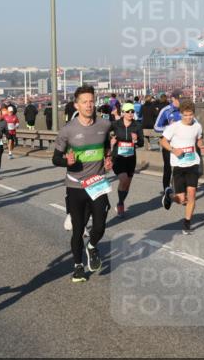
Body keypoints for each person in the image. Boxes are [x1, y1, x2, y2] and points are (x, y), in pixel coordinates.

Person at [52, 85, 114, 283]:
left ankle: (93, 246)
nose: (89, 105)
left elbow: (105, 146)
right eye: (84, 102)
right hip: (76, 185)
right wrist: (66, 161)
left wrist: (108, 158)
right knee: (78, 229)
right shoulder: (68, 130)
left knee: (100, 225)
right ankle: (78, 266)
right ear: (76, 105)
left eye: (91, 101)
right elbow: (55, 158)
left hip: (97, 183)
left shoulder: (104, 125)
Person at [160, 100, 204, 235]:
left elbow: (198, 139)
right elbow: (162, 141)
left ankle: (187, 223)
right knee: (181, 199)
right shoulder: (174, 127)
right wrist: (173, 150)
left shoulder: (197, 126)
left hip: (192, 164)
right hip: (179, 166)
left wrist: (201, 146)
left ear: (193, 114)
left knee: (192, 195)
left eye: (190, 115)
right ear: (181, 114)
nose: (188, 118)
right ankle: (169, 195)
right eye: (185, 115)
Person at [110, 102, 145, 216]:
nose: (130, 114)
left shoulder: (137, 125)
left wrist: (135, 141)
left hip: (130, 158)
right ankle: (120, 204)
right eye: (128, 111)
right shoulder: (115, 124)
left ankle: (121, 202)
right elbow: (104, 134)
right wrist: (111, 143)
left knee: (127, 184)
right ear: (123, 113)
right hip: (118, 157)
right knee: (123, 179)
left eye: (132, 112)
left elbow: (142, 143)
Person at [154, 90, 184, 193]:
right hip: (168, 144)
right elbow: (156, 127)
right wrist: (169, 128)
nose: (181, 102)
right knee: (168, 168)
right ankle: (166, 190)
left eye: (182, 99)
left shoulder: (185, 110)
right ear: (173, 99)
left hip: (181, 144)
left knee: (180, 167)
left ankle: (180, 192)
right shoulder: (166, 110)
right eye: (179, 99)